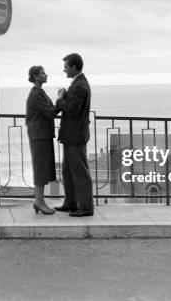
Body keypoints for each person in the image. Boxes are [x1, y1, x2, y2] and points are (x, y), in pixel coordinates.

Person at [54, 53, 94, 217]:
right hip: (73, 135)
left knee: (79, 172)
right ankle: (70, 203)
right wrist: (66, 95)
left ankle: (86, 207)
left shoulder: (79, 86)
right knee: (68, 171)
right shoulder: (78, 84)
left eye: (66, 67)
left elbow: (72, 110)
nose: (64, 70)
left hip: (75, 136)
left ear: (74, 67)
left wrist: (60, 99)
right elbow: (72, 105)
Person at [25, 65, 60, 215]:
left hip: (42, 135)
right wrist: (60, 100)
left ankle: (39, 201)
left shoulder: (39, 92)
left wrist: (57, 103)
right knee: (40, 168)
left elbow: (50, 110)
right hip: (39, 136)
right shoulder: (35, 94)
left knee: (43, 168)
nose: (46, 75)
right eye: (43, 73)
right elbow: (49, 112)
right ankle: (39, 202)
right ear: (35, 77)